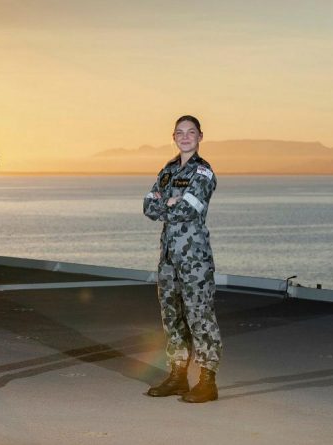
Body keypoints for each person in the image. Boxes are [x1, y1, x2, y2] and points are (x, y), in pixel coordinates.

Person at [143, 115, 222, 403]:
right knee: (172, 316)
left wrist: (167, 203)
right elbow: (147, 206)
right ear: (173, 136)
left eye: (191, 132)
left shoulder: (204, 172)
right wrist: (171, 202)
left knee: (199, 316)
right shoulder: (167, 170)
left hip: (194, 258)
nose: (185, 136)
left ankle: (207, 380)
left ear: (200, 136)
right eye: (180, 132)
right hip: (168, 256)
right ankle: (178, 376)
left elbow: (187, 211)